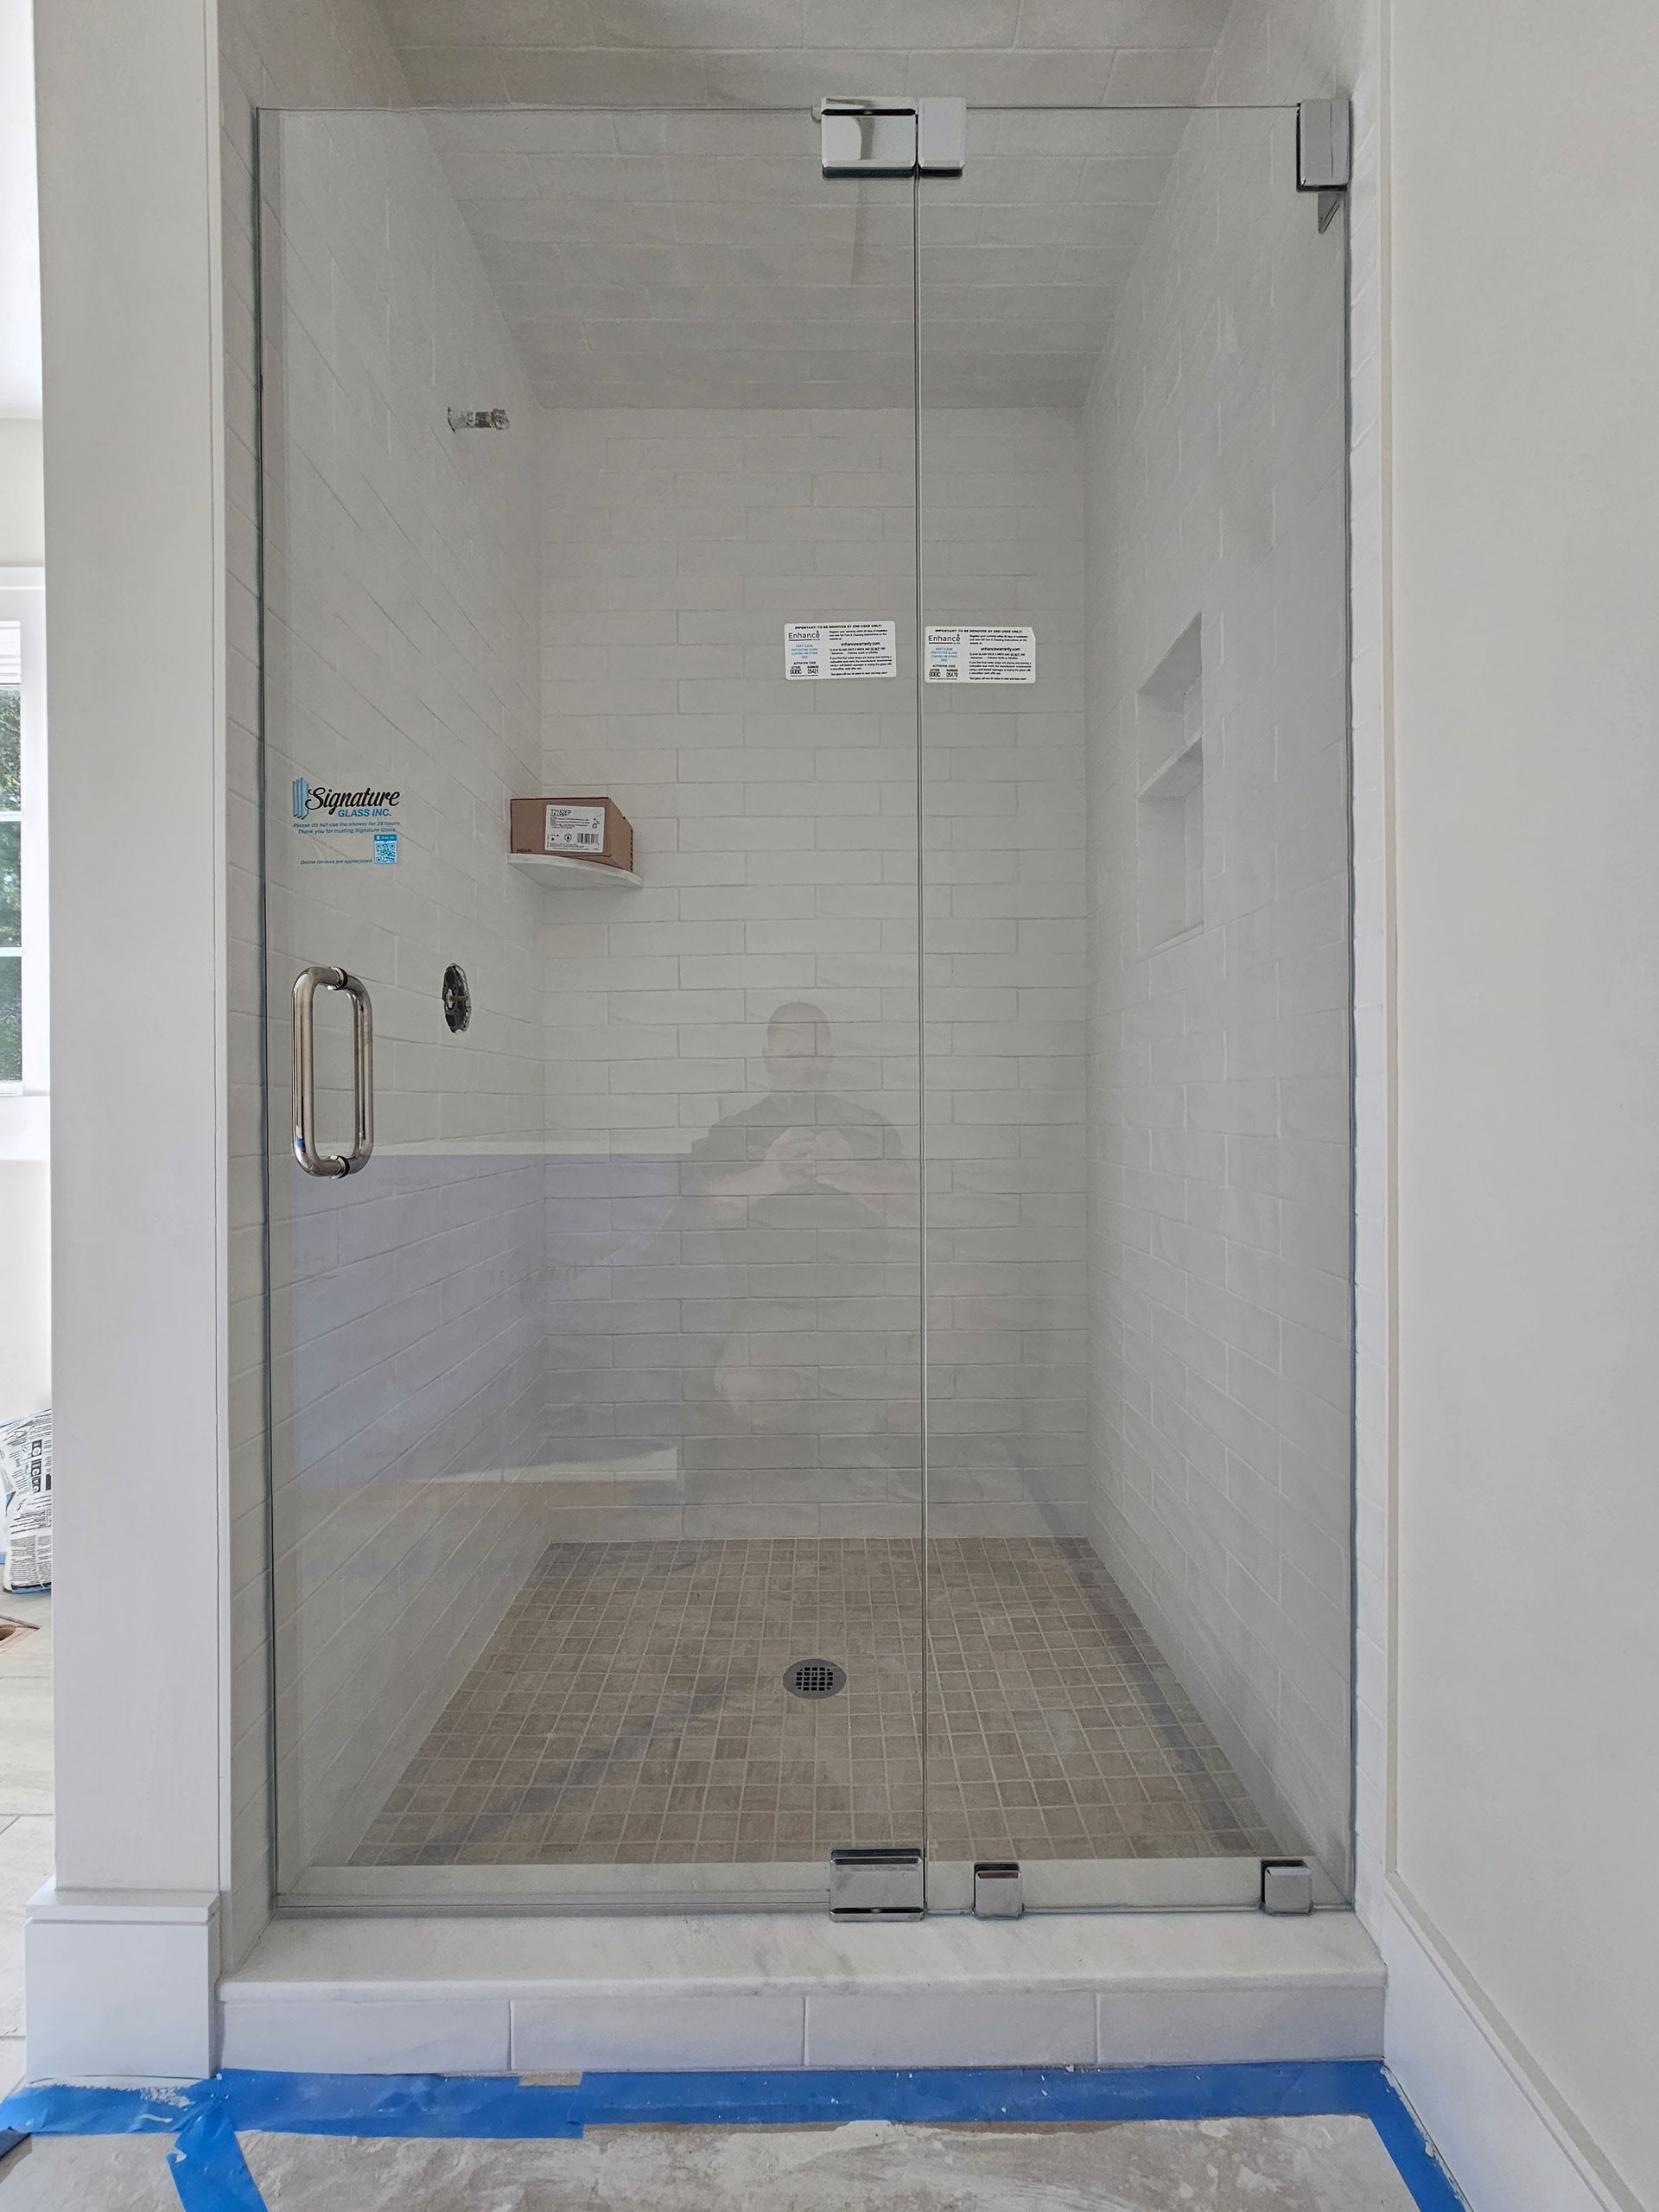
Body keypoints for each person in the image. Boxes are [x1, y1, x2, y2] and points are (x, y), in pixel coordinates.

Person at [685, 1002, 916, 1432]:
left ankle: (864, 1437)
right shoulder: (734, 1131)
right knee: (750, 1388)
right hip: (772, 1310)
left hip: (866, 1303)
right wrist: (771, 1174)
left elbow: (904, 1201)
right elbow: (705, 1206)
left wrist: (849, 1172)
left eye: (814, 1053)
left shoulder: (869, 1126)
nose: (803, 1064)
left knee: (931, 1382)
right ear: (767, 1057)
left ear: (829, 1057)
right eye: (791, 1053)